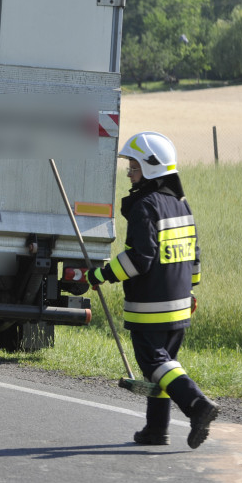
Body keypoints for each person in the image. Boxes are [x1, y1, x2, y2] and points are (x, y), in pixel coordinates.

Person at [87, 131, 219, 448]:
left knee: (153, 364)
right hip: (180, 304)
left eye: (133, 166)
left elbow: (140, 259)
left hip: (151, 305)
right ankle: (156, 429)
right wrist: (190, 292)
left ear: (151, 167)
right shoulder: (180, 205)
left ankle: (197, 405)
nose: (129, 172)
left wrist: (102, 273)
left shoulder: (144, 206)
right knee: (163, 368)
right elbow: (194, 258)